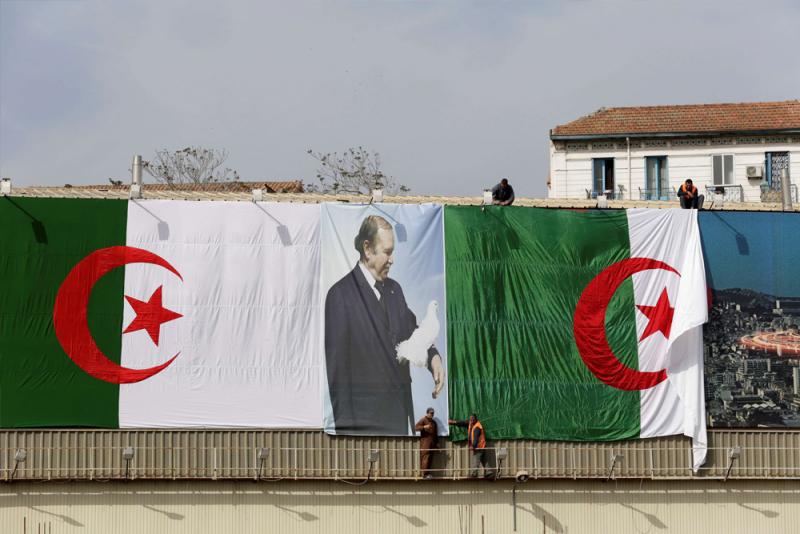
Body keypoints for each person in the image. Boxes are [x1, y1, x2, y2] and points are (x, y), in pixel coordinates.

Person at [325, 215, 445, 435]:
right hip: (362, 428)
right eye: (387, 252)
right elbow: (337, 375)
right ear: (368, 249)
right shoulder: (340, 296)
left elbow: (413, 333)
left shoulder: (395, 290)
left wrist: (433, 357)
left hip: (398, 420)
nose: (392, 260)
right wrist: (346, 434)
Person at [448, 413, 495, 478]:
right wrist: (453, 422)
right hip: (482, 446)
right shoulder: (471, 424)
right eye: (470, 419)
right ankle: (489, 472)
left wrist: (473, 446)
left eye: (473, 419)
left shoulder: (477, 427)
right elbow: (463, 423)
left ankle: (474, 474)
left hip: (479, 446)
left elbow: (475, 438)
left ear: (476, 419)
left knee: (476, 459)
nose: (471, 420)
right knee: (484, 459)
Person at [415, 407, 439, 479]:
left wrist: (437, 444)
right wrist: (424, 427)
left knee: (430, 458)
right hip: (425, 443)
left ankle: (428, 473)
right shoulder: (423, 420)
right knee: (425, 457)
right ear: (427, 413)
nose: (432, 414)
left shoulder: (434, 423)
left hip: (432, 443)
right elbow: (415, 428)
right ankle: (424, 474)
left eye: (433, 413)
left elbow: (435, 434)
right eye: (431, 413)